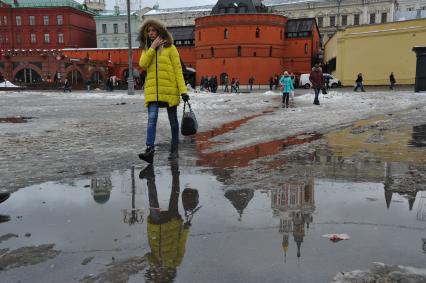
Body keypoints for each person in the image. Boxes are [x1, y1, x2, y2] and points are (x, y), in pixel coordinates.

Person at [137, 19, 189, 163]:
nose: (151, 33)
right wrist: (152, 48)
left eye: (153, 30)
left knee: (173, 121)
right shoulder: (147, 48)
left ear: (160, 31)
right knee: (151, 120)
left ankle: (174, 148)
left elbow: (178, 70)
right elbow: (142, 64)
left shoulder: (170, 48)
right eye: (149, 31)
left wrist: (183, 90)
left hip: (170, 89)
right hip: (153, 90)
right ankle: (149, 150)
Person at [140, 162, 200, 281]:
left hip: (155, 227)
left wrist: (155, 266)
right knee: (174, 194)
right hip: (173, 222)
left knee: (152, 199)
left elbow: (147, 256)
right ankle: (175, 172)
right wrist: (186, 228)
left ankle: (150, 177)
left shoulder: (154, 265)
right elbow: (182, 243)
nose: (160, 275)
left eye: (158, 278)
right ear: (168, 277)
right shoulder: (176, 262)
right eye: (163, 278)